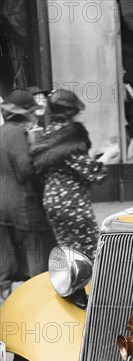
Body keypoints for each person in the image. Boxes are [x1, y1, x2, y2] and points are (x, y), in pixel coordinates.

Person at [30, 89, 116, 261]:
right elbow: (92, 172)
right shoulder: (69, 138)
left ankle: (72, 285)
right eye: (79, 110)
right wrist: (110, 154)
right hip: (72, 202)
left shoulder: (48, 136)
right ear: (70, 112)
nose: (83, 114)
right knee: (92, 251)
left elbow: (67, 165)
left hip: (53, 201)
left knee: (67, 252)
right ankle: (95, 287)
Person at [0, 89, 57, 302]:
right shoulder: (16, 133)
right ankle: (39, 301)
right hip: (24, 207)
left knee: (7, 259)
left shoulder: (2, 131)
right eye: (32, 111)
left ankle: (7, 302)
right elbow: (26, 171)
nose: (35, 116)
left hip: (3, 207)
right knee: (38, 255)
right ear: (22, 114)